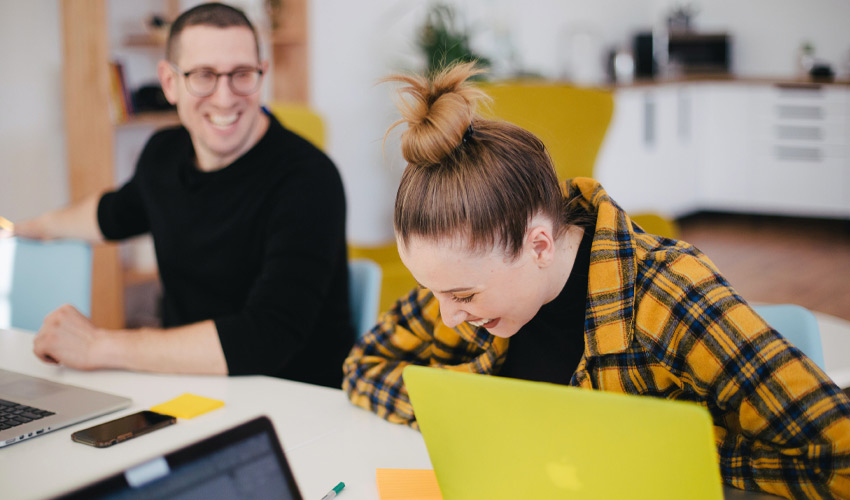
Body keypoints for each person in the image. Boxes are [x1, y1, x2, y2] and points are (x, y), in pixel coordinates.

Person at [342, 62, 850, 498]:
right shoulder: (469, 280)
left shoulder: (668, 295)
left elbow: (838, 454)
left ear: (538, 245)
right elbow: (364, 366)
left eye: (462, 296)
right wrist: (482, 413)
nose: (449, 316)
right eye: (434, 292)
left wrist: (668, 452)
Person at [12, 3, 353, 388]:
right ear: (170, 82)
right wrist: (28, 227)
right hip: (186, 386)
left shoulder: (309, 179)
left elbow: (266, 337)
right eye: (203, 75)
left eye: (241, 74)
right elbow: (113, 213)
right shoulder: (163, 154)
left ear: (262, 75)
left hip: (294, 401)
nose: (225, 98)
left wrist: (99, 345)